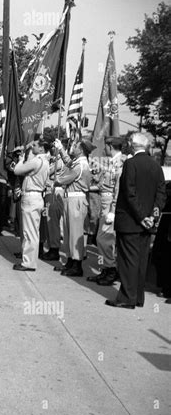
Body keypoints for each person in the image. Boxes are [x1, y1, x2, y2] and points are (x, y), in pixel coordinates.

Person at [106, 132, 166, 309]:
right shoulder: (156, 166)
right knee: (140, 261)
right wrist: (152, 216)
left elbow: (129, 193)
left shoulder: (130, 163)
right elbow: (161, 194)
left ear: (133, 144)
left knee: (127, 261)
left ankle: (126, 298)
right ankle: (138, 297)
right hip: (146, 222)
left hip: (131, 221)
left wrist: (141, 217)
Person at [52, 137, 95, 277]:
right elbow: (69, 162)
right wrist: (61, 150)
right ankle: (70, 261)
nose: (72, 147)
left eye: (75, 145)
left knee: (75, 233)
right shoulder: (78, 163)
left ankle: (77, 265)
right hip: (71, 198)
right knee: (69, 232)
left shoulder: (80, 165)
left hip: (76, 199)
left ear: (81, 149)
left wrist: (55, 178)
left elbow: (61, 179)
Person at [87, 136, 125, 285]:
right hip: (105, 201)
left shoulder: (119, 163)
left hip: (110, 203)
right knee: (102, 239)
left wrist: (113, 210)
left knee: (104, 239)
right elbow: (104, 184)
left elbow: (118, 188)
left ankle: (111, 270)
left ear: (110, 146)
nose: (104, 149)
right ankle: (105, 269)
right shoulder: (111, 162)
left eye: (106, 146)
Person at [12, 135, 49, 271]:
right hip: (36, 196)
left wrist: (21, 158)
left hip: (32, 197)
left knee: (29, 233)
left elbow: (17, 170)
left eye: (35, 145)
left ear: (41, 148)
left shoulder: (37, 161)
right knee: (32, 232)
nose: (32, 147)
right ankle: (28, 260)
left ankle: (28, 263)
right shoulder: (44, 161)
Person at [42, 139, 66, 261]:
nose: (52, 149)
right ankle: (52, 246)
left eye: (54, 147)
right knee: (49, 222)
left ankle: (54, 249)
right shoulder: (53, 161)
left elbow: (47, 172)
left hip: (54, 192)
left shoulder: (59, 162)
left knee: (53, 222)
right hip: (49, 192)